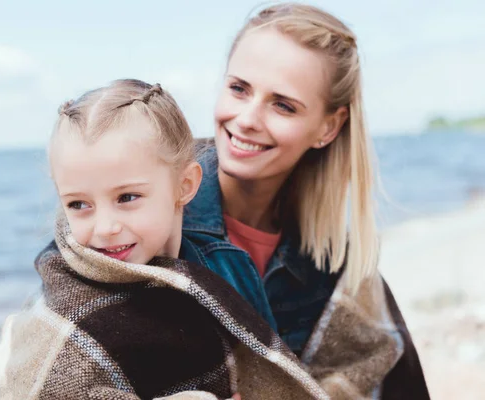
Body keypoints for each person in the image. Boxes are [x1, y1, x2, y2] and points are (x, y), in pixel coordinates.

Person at [0, 79, 329, 400]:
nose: (105, 227)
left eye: (127, 198)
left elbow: (266, 361)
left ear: (184, 186)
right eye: (79, 204)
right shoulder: (68, 298)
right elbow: (41, 381)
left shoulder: (227, 266)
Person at [179, 3, 431, 399]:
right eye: (238, 88)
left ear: (328, 127)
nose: (246, 118)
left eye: (283, 105)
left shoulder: (336, 266)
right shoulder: (148, 222)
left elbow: (398, 383)